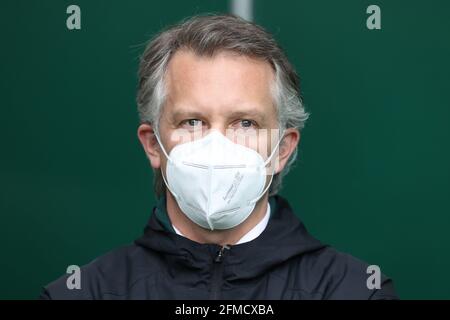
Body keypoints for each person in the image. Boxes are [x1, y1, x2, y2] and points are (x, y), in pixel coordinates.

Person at [40, 14, 397, 300]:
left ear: (283, 149)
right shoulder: (85, 293)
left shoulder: (355, 292)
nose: (216, 146)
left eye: (245, 123)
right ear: (153, 144)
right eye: (192, 121)